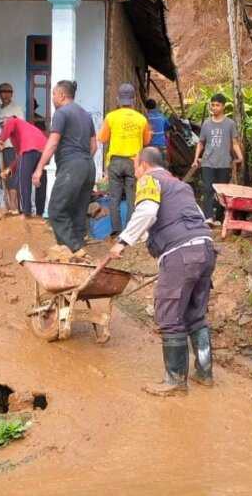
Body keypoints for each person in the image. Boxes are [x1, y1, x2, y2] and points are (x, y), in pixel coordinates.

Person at [109, 147, 215, 396]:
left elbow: (146, 212)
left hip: (180, 253)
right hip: (206, 249)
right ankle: (205, 373)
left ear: (143, 165)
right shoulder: (179, 185)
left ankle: (175, 382)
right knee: (195, 315)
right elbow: (196, 216)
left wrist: (122, 241)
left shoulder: (149, 180)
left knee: (169, 315)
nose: (135, 173)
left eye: (135, 166)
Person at [32, 80, 96, 254]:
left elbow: (52, 143)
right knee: (78, 211)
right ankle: (78, 249)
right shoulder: (86, 114)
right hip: (88, 166)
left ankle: (74, 250)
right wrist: (82, 162)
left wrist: (39, 168)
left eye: (53, 94)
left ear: (61, 95)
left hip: (72, 166)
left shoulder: (61, 113)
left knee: (56, 210)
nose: (52, 98)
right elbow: (94, 146)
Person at [98, 84, 151, 237]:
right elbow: (146, 141)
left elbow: (102, 138)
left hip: (115, 162)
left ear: (118, 99)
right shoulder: (141, 119)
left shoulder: (111, 117)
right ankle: (130, 231)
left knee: (114, 197)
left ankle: (115, 230)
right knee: (132, 197)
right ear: (134, 99)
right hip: (133, 162)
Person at [192, 93, 243, 226]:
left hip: (224, 163)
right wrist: (196, 158)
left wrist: (240, 157)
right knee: (208, 189)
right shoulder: (206, 124)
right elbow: (201, 143)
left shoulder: (230, 124)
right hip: (207, 162)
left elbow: (235, 142)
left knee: (222, 192)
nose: (214, 107)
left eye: (217, 105)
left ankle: (219, 218)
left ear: (223, 106)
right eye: (212, 105)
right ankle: (208, 217)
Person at [0, 116, 47, 218]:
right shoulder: (19, 133)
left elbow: (9, 125)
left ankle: (26, 212)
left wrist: (0, 140)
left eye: (3, 125)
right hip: (43, 149)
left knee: (24, 180)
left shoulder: (13, 120)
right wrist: (10, 169)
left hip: (32, 147)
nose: (3, 127)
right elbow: (20, 156)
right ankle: (39, 213)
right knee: (40, 180)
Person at [0, 83, 25, 214]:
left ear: (12, 94)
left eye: (8, 92)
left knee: (11, 175)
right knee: (4, 176)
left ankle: (15, 207)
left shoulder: (16, 109)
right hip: (2, 146)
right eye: (2, 92)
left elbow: (20, 126)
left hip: (12, 146)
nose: (5, 94)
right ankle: (9, 206)